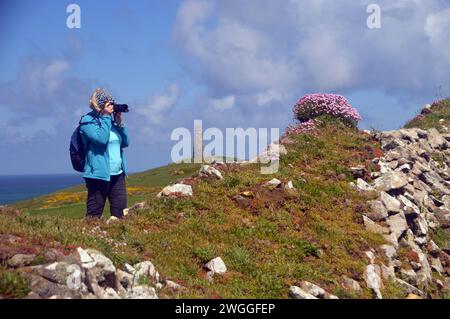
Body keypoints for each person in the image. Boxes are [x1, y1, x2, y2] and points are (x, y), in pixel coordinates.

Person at [80, 88, 130, 219]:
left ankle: (118, 240)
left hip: (117, 174)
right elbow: (100, 139)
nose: (112, 106)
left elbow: (125, 142)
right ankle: (89, 238)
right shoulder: (88, 121)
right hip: (98, 175)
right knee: (94, 215)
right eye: (109, 104)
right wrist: (106, 117)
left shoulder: (110, 123)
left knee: (121, 215)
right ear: (100, 106)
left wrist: (119, 124)